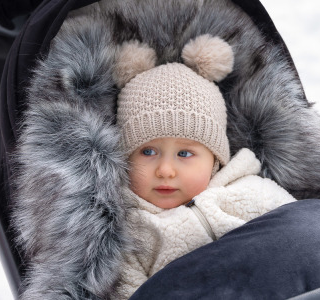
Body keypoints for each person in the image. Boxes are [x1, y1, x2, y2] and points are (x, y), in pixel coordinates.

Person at [112, 35, 296, 299]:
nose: (165, 170)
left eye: (185, 153)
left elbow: (301, 240)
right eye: (148, 151)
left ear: (215, 160)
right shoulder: (130, 233)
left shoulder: (254, 193)